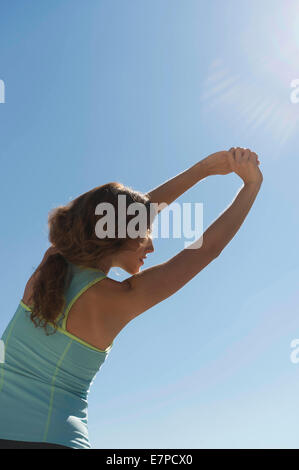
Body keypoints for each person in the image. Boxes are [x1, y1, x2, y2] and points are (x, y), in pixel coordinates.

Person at [0, 147, 263, 449]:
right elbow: (206, 250)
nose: (151, 245)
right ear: (120, 233)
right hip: (56, 440)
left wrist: (203, 169)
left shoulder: (50, 265)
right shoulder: (115, 298)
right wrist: (250, 186)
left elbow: (122, 215)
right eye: (146, 231)